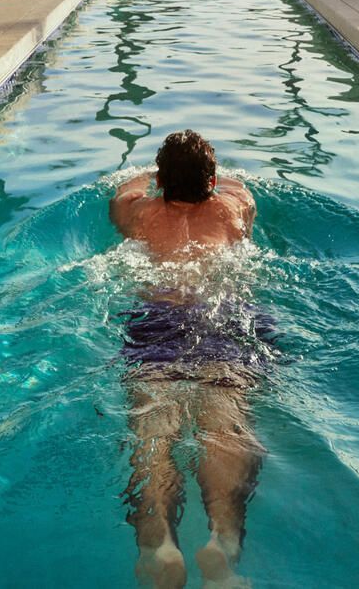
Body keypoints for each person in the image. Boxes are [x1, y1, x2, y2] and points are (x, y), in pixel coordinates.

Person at [109, 130, 270, 589]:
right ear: (213, 180)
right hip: (222, 319)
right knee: (224, 422)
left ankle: (158, 540)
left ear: (161, 181)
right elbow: (242, 190)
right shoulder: (232, 207)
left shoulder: (139, 212)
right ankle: (223, 543)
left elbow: (122, 190)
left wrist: (149, 178)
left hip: (157, 321)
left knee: (153, 426)